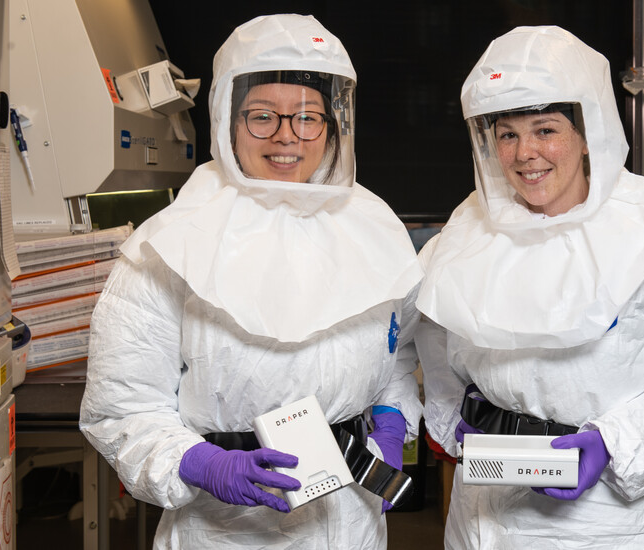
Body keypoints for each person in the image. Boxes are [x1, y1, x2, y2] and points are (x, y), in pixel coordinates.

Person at [80, 14, 424, 549]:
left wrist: (391, 417)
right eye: (262, 116)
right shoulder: (168, 247)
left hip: (351, 522)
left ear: (333, 127)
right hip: (223, 532)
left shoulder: (374, 228)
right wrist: (201, 463)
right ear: (227, 121)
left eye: (308, 117)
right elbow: (121, 407)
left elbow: (395, 355)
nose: (287, 136)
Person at [414, 26, 644, 549]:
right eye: (507, 134)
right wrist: (454, 422)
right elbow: (438, 359)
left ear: (587, 131)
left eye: (546, 129)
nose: (526, 153)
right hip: (483, 511)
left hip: (607, 522)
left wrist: (610, 445)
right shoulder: (464, 238)